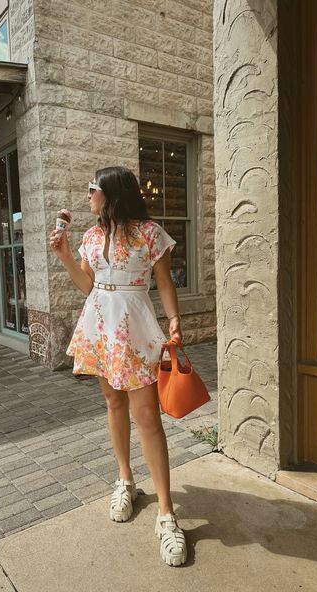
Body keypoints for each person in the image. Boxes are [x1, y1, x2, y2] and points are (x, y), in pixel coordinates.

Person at [49, 166, 187, 567]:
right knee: (113, 404)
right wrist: (63, 257)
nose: (88, 195)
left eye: (93, 188)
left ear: (110, 193)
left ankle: (166, 513)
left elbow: (164, 281)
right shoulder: (92, 236)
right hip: (99, 324)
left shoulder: (148, 232)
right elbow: (87, 286)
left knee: (148, 415)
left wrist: (174, 318)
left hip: (135, 323)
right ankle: (125, 480)